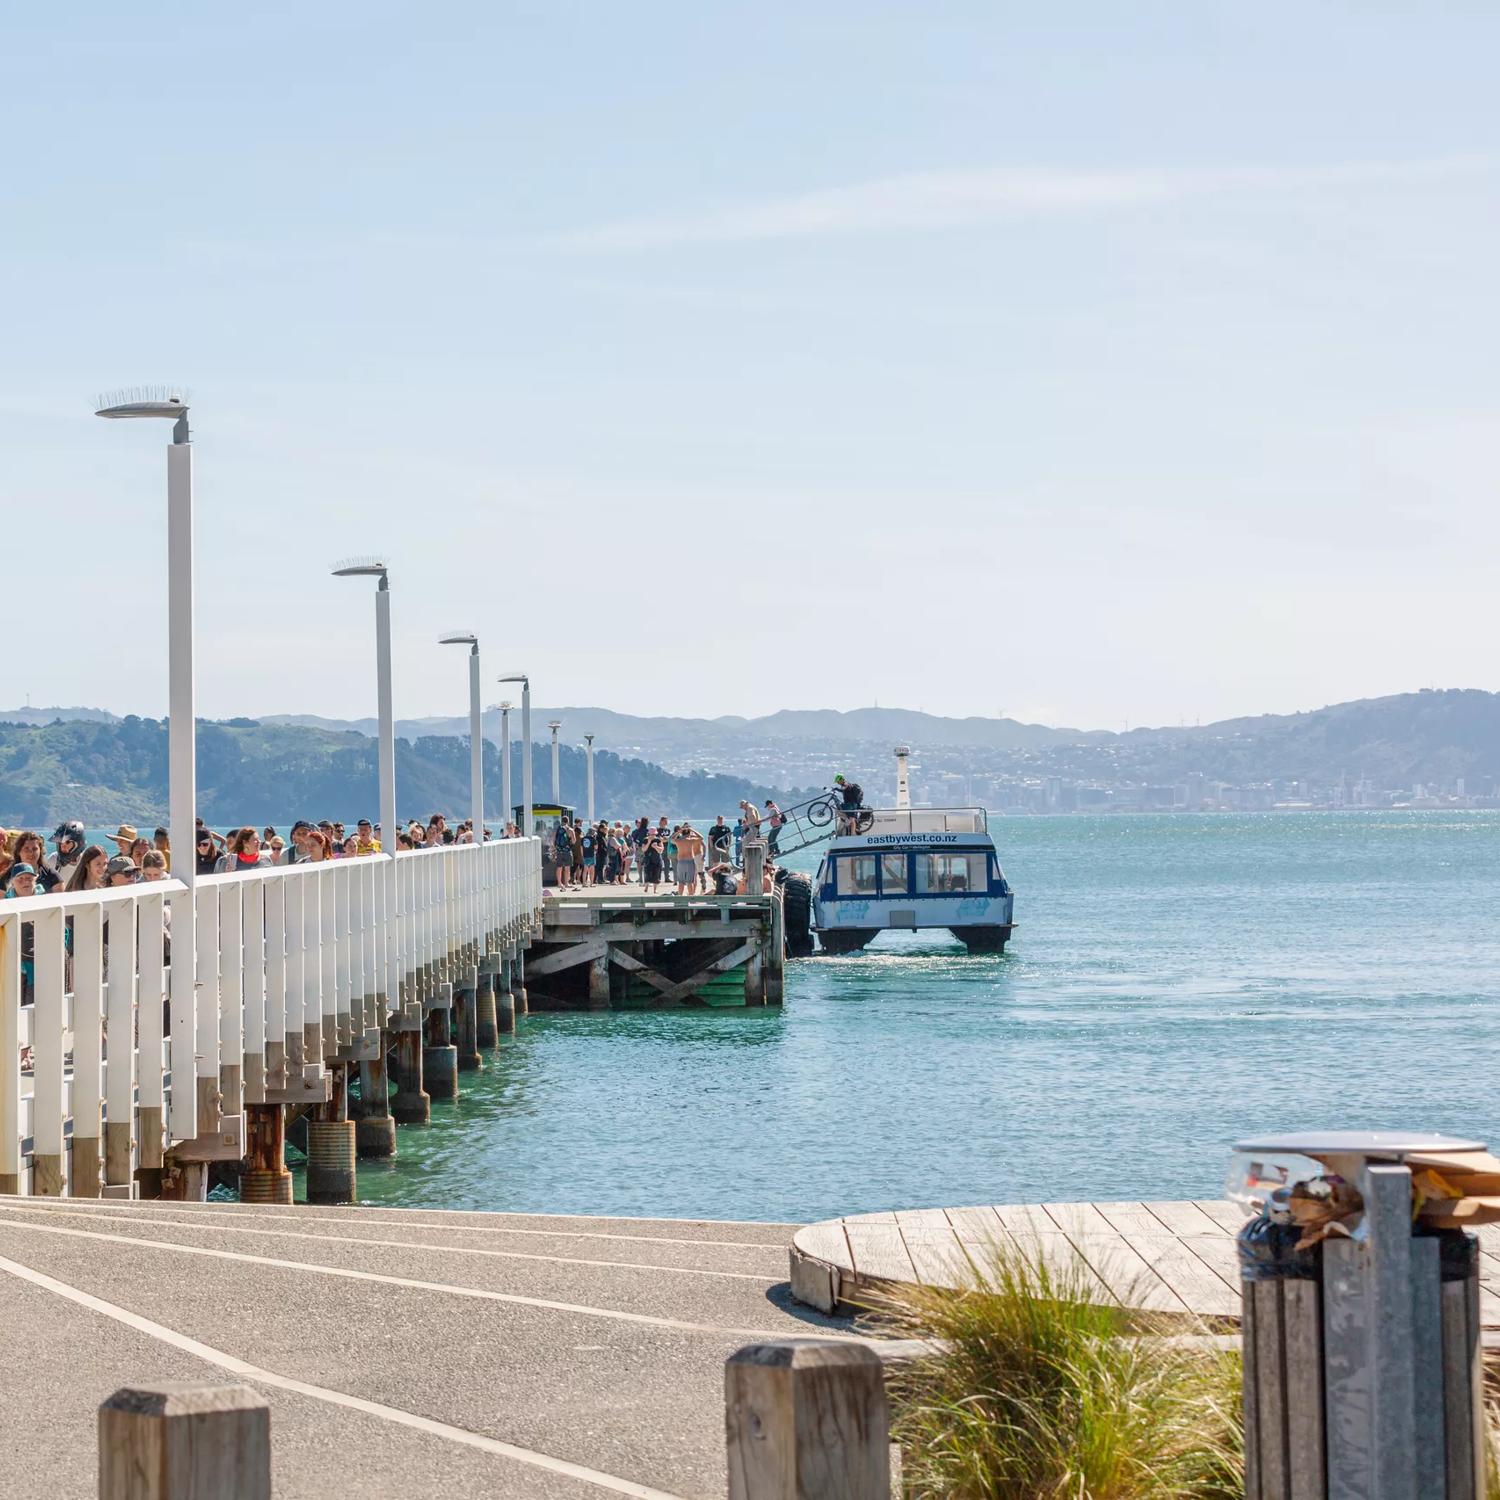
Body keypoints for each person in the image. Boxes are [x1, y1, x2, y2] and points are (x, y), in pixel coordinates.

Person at [51, 820, 86, 886]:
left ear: (79, 843)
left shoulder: (86, 861)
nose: (63, 846)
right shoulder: (53, 860)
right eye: (60, 843)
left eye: (67, 842)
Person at [674, 822, 704, 896]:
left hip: (680, 862)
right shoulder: (691, 840)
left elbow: (671, 838)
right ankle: (691, 899)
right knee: (689, 882)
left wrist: (678, 832)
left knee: (681, 882)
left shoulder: (678, 840)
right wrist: (692, 830)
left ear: (682, 832)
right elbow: (701, 837)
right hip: (690, 862)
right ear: (689, 832)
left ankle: (680, 899)